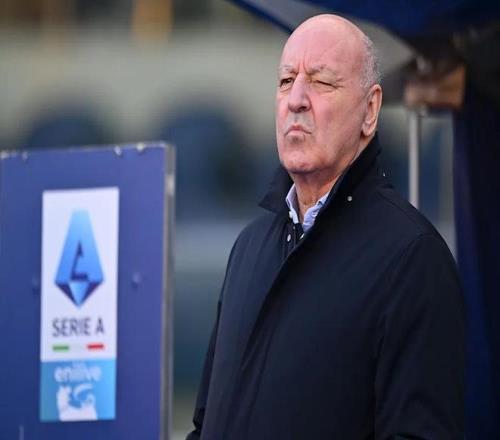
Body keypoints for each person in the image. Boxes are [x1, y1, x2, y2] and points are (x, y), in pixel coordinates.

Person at [187, 14, 464, 440]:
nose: (296, 100)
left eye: (321, 82)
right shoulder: (248, 248)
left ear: (370, 110)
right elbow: (205, 424)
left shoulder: (413, 259)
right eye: (286, 81)